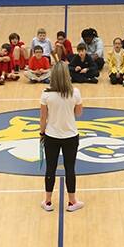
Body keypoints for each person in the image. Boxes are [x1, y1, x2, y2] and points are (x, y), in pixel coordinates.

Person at [40, 63, 84, 212]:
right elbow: (78, 113)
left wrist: (41, 133)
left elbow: (43, 118)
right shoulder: (75, 92)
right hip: (71, 136)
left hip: (51, 136)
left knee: (50, 168)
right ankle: (72, 202)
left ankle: (47, 202)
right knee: (70, 168)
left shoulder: (46, 93)